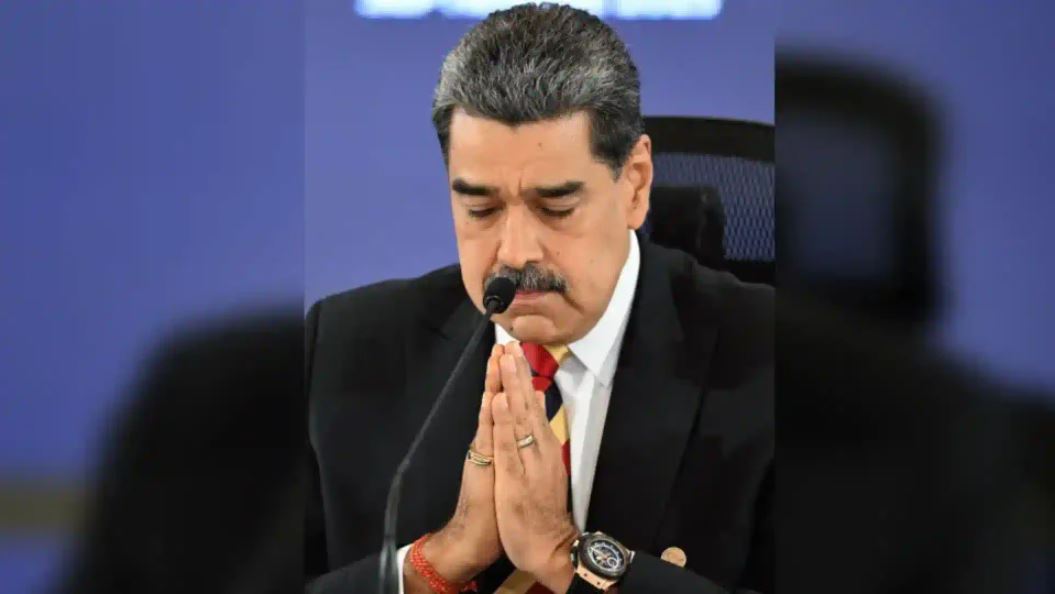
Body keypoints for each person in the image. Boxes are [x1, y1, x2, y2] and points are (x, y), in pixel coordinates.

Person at [305, 4, 773, 593]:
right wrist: (436, 564)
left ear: (634, 184)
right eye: (481, 209)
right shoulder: (344, 349)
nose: (516, 252)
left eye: (555, 208)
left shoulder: (770, 359)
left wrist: (565, 554)